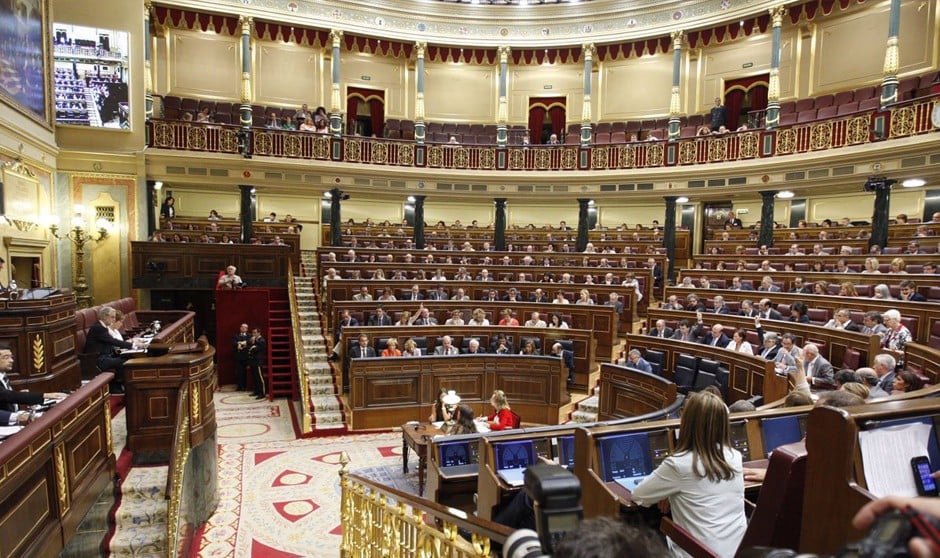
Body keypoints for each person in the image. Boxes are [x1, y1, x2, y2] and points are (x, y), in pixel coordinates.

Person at [633, 390, 746, 557]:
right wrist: (671, 491)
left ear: (687, 422)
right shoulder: (735, 457)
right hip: (737, 551)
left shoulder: (678, 464)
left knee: (641, 533)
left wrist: (667, 491)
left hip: (697, 553)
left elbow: (638, 495)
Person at [0, 344, 68, 426]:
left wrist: (20, 395)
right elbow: (7, 396)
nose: (11, 360)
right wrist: (45, 395)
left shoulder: (3, 375)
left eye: (11, 357)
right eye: (6, 357)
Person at [83, 306, 143, 393]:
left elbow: (107, 343)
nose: (114, 320)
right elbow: (112, 341)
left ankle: (119, 386)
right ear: (104, 316)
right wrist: (132, 345)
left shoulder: (102, 327)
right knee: (126, 362)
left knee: (127, 359)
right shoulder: (98, 328)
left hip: (105, 356)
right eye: (112, 317)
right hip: (97, 360)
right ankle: (117, 387)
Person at [247, 327, 267, 399]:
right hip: (253, 362)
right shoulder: (254, 340)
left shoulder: (261, 340)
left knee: (259, 378)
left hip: (258, 362)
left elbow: (256, 349)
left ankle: (262, 393)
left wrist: (254, 341)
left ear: (259, 333)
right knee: (254, 377)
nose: (253, 334)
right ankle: (256, 391)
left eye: (255, 333)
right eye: (253, 333)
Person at [233, 323, 251, 391]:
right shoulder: (236, 336)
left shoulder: (249, 336)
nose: (243, 328)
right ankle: (240, 386)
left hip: (247, 357)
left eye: (245, 327)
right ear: (240, 328)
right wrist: (239, 343)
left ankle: (246, 386)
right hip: (239, 357)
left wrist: (242, 343)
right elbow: (234, 343)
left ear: (247, 329)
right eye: (242, 327)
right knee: (239, 372)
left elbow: (250, 343)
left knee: (246, 373)